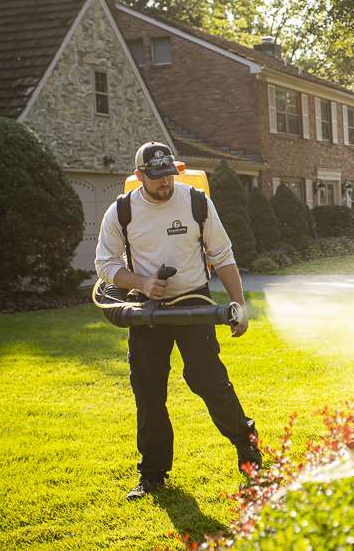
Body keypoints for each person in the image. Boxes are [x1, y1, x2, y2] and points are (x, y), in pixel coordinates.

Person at [95, 141, 261, 501]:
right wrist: (141, 283)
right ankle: (153, 473)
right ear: (140, 176)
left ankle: (248, 450)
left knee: (209, 381)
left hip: (195, 302)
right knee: (149, 390)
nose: (164, 184)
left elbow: (222, 254)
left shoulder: (196, 202)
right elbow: (105, 264)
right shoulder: (122, 211)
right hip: (146, 309)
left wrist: (239, 304)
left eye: (168, 175)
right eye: (156, 178)